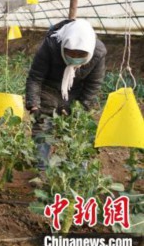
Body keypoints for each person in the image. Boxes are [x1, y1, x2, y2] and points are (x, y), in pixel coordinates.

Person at [26, 19, 106, 174]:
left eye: (80, 54)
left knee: (77, 129)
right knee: (43, 125)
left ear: (89, 51)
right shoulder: (51, 44)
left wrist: (80, 107)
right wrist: (34, 103)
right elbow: (35, 77)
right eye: (71, 52)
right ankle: (41, 170)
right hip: (49, 87)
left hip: (75, 92)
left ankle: (75, 171)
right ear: (63, 47)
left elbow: (93, 85)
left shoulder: (98, 52)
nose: (75, 57)